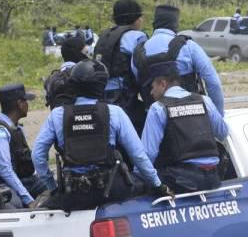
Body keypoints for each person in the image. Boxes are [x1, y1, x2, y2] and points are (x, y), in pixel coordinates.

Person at [31, 60, 165, 210]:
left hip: (73, 194)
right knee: (144, 187)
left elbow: (37, 156)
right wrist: (158, 185)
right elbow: (139, 156)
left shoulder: (57, 115)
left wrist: (54, 188)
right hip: (111, 191)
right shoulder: (114, 112)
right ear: (102, 86)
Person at [141, 61, 229, 193]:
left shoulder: (158, 108)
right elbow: (222, 132)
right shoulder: (204, 101)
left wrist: (137, 177)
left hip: (180, 181)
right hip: (213, 179)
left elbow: (148, 155)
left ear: (163, 84)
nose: (151, 92)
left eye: (153, 87)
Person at [131, 4, 225, 114]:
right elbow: (213, 83)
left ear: (154, 24)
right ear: (175, 25)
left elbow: (138, 83)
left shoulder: (137, 51)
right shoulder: (189, 46)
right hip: (190, 116)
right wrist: (218, 115)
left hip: (154, 115)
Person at [0, 83, 43, 209]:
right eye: (25, 101)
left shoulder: (16, 128)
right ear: (19, 104)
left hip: (23, 180)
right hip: (1, 184)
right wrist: (29, 200)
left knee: (55, 190)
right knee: (15, 205)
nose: (27, 105)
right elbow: (5, 170)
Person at [95, 0, 148, 132]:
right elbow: (142, 71)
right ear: (135, 18)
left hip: (100, 97)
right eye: (140, 17)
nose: (141, 20)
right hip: (124, 98)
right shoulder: (137, 36)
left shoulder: (104, 36)